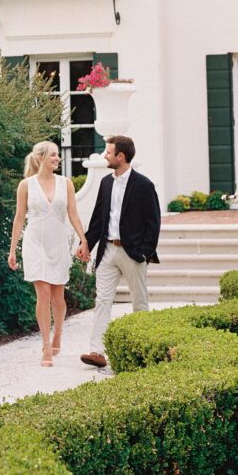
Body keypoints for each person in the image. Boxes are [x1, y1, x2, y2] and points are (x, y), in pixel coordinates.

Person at [79, 135, 161, 368]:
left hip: (133, 252)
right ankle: (97, 351)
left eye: (108, 152)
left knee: (139, 302)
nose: (105, 155)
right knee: (103, 300)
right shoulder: (106, 183)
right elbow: (97, 220)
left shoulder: (144, 185)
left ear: (121, 156)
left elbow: (153, 222)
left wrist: (145, 252)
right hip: (107, 251)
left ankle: (144, 350)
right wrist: (86, 244)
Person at [8, 140, 89, 366]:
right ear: (40, 158)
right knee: (42, 293)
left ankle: (59, 333)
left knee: (58, 297)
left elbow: (73, 213)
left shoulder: (66, 184)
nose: (57, 158)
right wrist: (12, 249)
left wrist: (83, 238)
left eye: (57, 155)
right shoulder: (26, 185)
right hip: (34, 242)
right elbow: (19, 217)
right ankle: (45, 346)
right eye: (53, 155)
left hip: (58, 242)